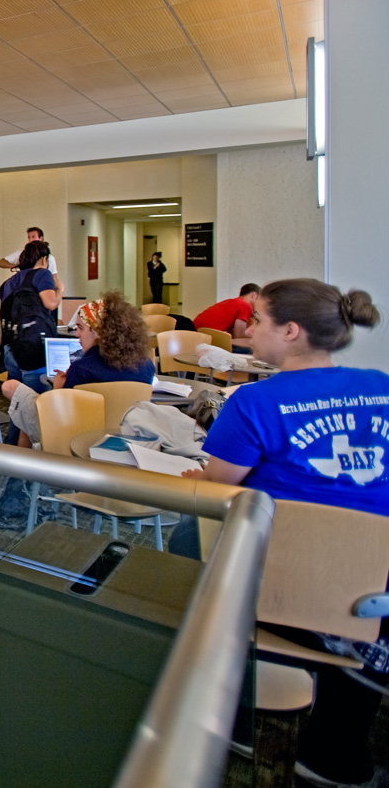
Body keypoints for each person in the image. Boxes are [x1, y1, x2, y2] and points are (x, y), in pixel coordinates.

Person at [171, 279, 386, 788]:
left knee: (187, 533)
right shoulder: (379, 384)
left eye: (258, 320)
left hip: (286, 589)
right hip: (371, 594)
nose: (246, 328)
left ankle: (229, 706)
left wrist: (196, 480)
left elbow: (218, 489)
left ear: (290, 332)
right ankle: (337, 749)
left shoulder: (253, 403)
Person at [1, 293, 156, 447]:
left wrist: (57, 389)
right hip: (126, 436)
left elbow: (63, 413)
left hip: (78, 436)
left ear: (99, 332)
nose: (76, 334)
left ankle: (21, 468)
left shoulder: (81, 369)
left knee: (20, 405)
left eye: (81, 328)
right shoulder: (146, 365)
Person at [0, 239, 64, 393]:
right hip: (33, 348)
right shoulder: (42, 274)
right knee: (36, 403)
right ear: (44, 259)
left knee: (19, 402)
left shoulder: (8, 283)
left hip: (10, 349)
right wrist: (59, 290)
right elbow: (50, 303)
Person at [192, 283, 261, 338]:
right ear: (253, 295)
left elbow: (232, 333)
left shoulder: (231, 302)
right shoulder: (246, 305)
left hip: (194, 332)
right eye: (260, 299)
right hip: (203, 336)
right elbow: (239, 335)